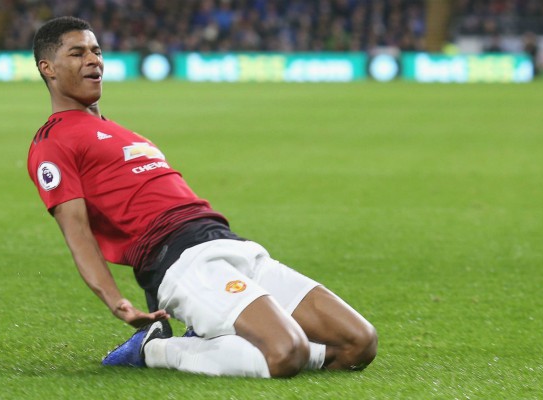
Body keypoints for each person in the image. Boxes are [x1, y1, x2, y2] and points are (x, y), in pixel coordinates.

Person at [28, 16, 377, 378]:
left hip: (226, 241)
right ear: (47, 68)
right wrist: (118, 302)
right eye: (78, 52)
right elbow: (78, 232)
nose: (93, 59)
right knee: (286, 353)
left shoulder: (119, 132)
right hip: (178, 260)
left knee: (359, 343)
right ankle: (154, 349)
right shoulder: (52, 142)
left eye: (96, 51)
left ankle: (219, 331)